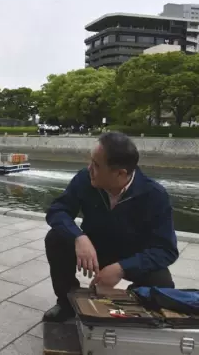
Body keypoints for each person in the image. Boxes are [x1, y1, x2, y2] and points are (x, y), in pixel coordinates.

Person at [43, 132, 179, 322]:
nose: (89, 168)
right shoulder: (84, 179)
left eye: (96, 165)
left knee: (162, 283)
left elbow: (166, 250)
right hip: (94, 247)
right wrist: (78, 237)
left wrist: (123, 268)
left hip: (132, 255)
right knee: (56, 238)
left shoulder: (154, 195)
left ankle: (133, 304)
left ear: (120, 173)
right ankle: (66, 304)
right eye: (91, 162)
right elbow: (57, 211)